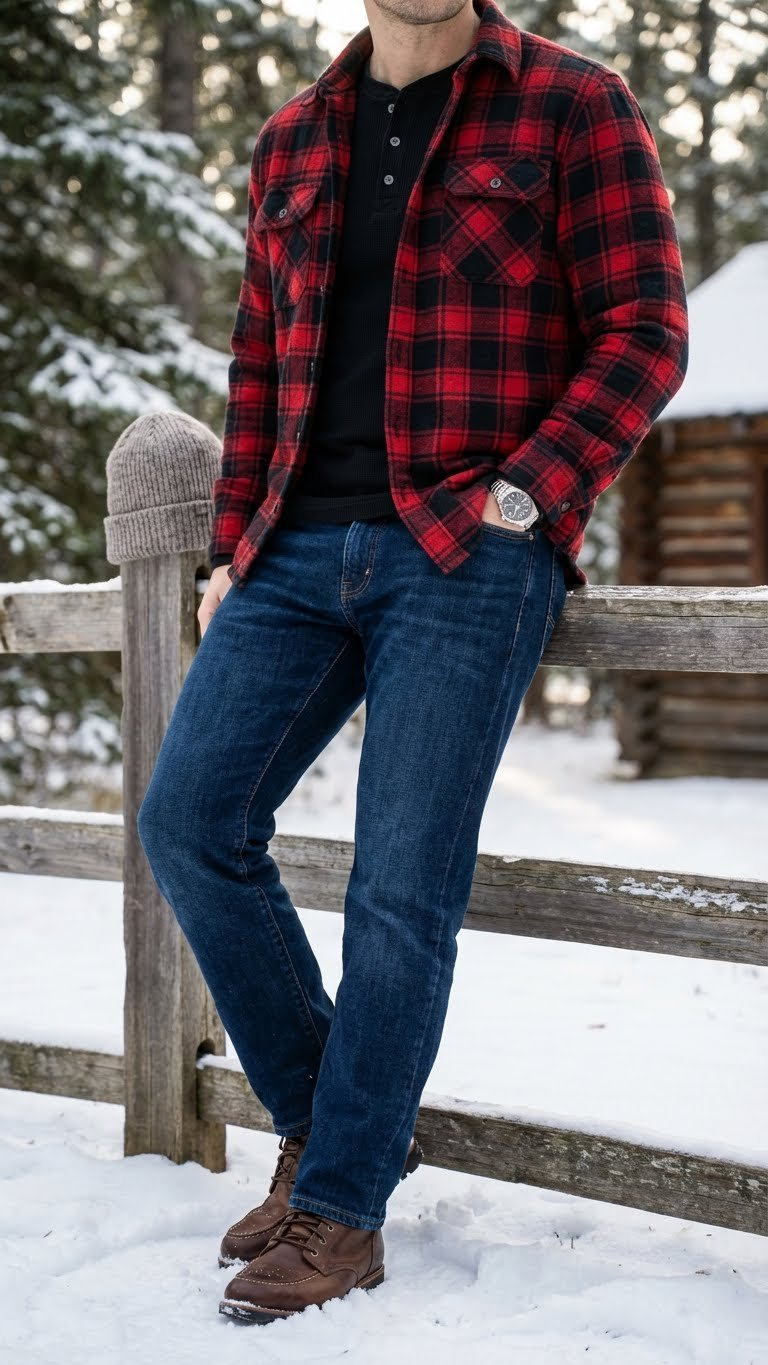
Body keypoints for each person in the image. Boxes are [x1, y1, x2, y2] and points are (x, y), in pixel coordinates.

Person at [137, 0, 688, 1326]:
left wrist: (528, 497)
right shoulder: (293, 140)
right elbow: (258, 362)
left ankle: (341, 1206)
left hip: (465, 547)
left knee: (401, 885)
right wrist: (232, 547)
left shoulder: (573, 105)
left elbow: (645, 331)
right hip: (293, 551)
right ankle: (343, 1129)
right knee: (190, 819)